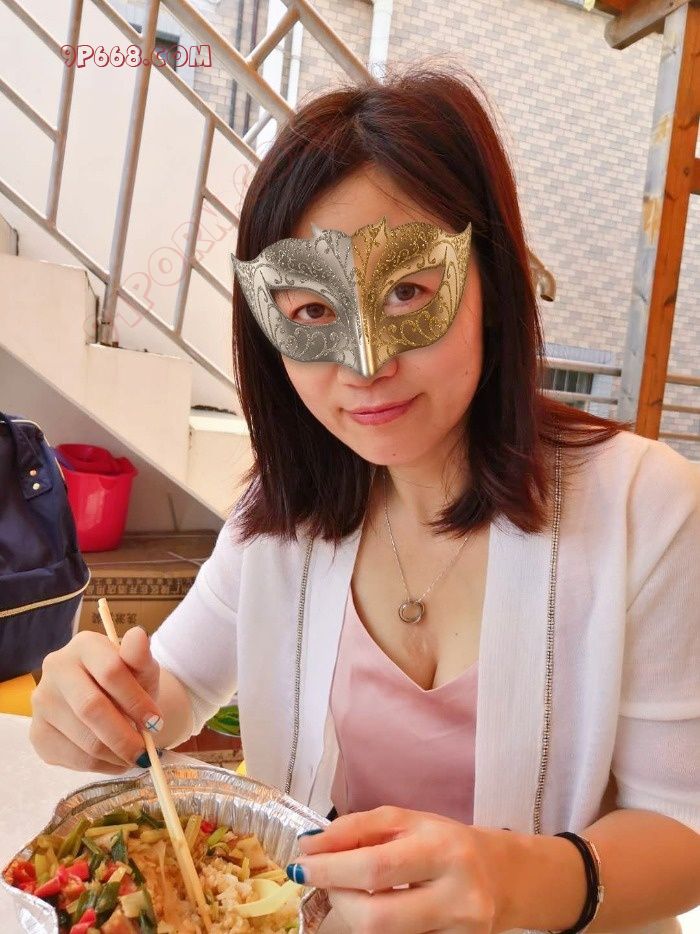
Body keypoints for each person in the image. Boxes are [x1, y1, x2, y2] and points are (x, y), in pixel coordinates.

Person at [30, 67, 700, 934]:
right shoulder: (281, 519)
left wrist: (513, 881)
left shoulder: (649, 510)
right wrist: (92, 708)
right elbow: (166, 698)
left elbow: (684, 829)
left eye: (408, 292)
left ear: (492, 281)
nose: (364, 364)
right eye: (312, 310)